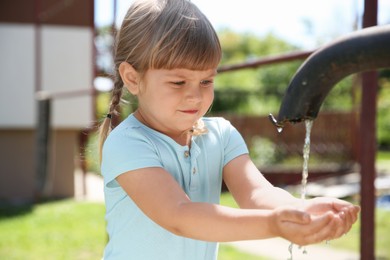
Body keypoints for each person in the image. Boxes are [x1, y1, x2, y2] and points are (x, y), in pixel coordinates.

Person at [98, 0, 360, 259]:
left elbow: (257, 193)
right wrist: (272, 224)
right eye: (178, 82)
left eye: (206, 80)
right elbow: (178, 215)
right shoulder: (127, 143)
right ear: (132, 78)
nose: (195, 96)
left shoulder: (221, 136)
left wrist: (301, 210)